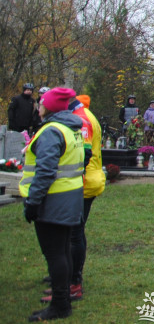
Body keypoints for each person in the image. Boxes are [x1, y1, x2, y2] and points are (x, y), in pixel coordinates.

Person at [20, 87, 84, 322]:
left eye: (42, 103)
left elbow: (45, 171)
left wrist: (33, 203)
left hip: (53, 202)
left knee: (55, 254)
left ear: (48, 107)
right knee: (64, 251)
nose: (39, 106)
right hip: (69, 199)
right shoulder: (71, 128)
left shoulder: (51, 131)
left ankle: (59, 304)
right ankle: (63, 300)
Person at [60, 94, 104, 306]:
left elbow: (84, 154)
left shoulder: (82, 119)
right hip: (87, 179)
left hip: (85, 181)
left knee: (75, 232)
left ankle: (74, 279)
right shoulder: (85, 115)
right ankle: (67, 275)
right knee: (75, 231)